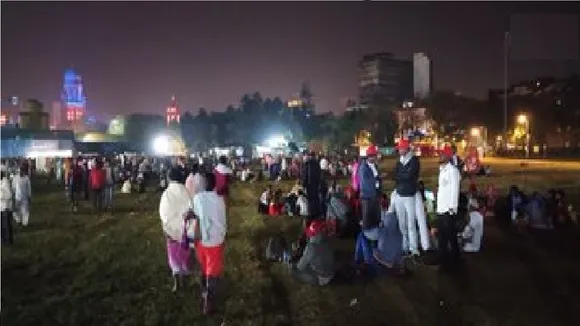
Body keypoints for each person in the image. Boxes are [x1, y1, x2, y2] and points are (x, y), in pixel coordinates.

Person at [192, 172, 227, 315]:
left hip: (202, 240)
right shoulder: (220, 200)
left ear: (203, 184)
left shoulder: (198, 198)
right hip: (216, 240)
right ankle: (208, 300)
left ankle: (206, 296)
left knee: (204, 268)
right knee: (212, 273)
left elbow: (196, 217)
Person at [159, 167, 193, 292]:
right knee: (184, 255)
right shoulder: (186, 191)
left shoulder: (166, 193)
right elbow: (191, 208)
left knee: (173, 256)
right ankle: (184, 281)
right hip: (185, 230)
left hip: (171, 231)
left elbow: (164, 213)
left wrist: (167, 227)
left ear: (169, 178)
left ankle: (177, 283)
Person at [392, 139, 421, 256]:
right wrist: (401, 175)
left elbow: (410, 176)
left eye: (401, 149)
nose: (399, 151)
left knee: (411, 223)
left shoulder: (414, 161)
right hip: (400, 194)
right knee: (402, 223)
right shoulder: (400, 161)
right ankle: (404, 247)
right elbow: (396, 175)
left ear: (407, 149)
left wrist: (400, 176)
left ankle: (413, 249)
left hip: (409, 195)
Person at [434, 145, 462, 267]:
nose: (439, 156)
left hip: (448, 210)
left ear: (448, 156)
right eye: (439, 154)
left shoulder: (453, 171)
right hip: (441, 208)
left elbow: (455, 190)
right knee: (442, 236)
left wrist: (452, 208)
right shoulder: (442, 169)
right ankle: (442, 258)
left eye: (442, 154)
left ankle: (456, 260)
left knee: (451, 236)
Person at [288, 220, 335, 286]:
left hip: (320, 279)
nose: (309, 236)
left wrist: (294, 254)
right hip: (331, 274)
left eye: (311, 234)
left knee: (292, 270)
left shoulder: (311, 247)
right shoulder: (327, 241)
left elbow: (300, 266)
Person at [358, 145, 381, 246]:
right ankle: (365, 242)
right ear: (369, 156)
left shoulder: (374, 166)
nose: (376, 158)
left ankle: (374, 240)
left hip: (374, 196)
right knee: (367, 220)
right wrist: (377, 178)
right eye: (374, 156)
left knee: (375, 218)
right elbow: (367, 182)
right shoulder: (363, 168)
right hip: (367, 197)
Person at [301, 151, 322, 221]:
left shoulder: (307, 164)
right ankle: (316, 213)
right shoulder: (316, 164)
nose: (311, 157)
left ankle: (312, 214)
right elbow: (319, 175)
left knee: (311, 199)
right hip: (313, 184)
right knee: (315, 199)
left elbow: (304, 175)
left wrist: (304, 185)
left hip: (310, 185)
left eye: (311, 155)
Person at [1, 171, 14, 244]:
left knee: (6, 225)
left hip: (5, 207)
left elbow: (9, 195)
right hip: (1, 207)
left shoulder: (5, 182)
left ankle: (8, 241)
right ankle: (3, 240)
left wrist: (1, 195)